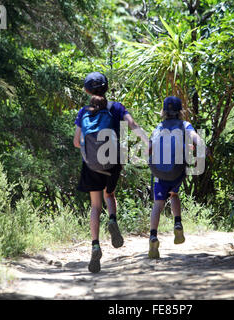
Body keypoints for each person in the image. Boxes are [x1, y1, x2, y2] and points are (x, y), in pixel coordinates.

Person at [73, 72, 148, 273]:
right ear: (106, 87)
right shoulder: (116, 108)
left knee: (95, 206)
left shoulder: (83, 112)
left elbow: (75, 141)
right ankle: (113, 219)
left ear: (87, 90)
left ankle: (95, 245)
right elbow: (133, 125)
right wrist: (148, 143)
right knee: (110, 194)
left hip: (90, 165)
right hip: (112, 163)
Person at [148, 96, 204, 259]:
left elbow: (150, 149)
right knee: (174, 194)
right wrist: (201, 148)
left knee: (157, 204)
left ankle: (153, 236)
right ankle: (177, 222)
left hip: (159, 172)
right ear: (181, 111)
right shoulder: (185, 125)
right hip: (176, 172)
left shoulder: (158, 128)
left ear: (163, 112)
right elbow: (195, 138)